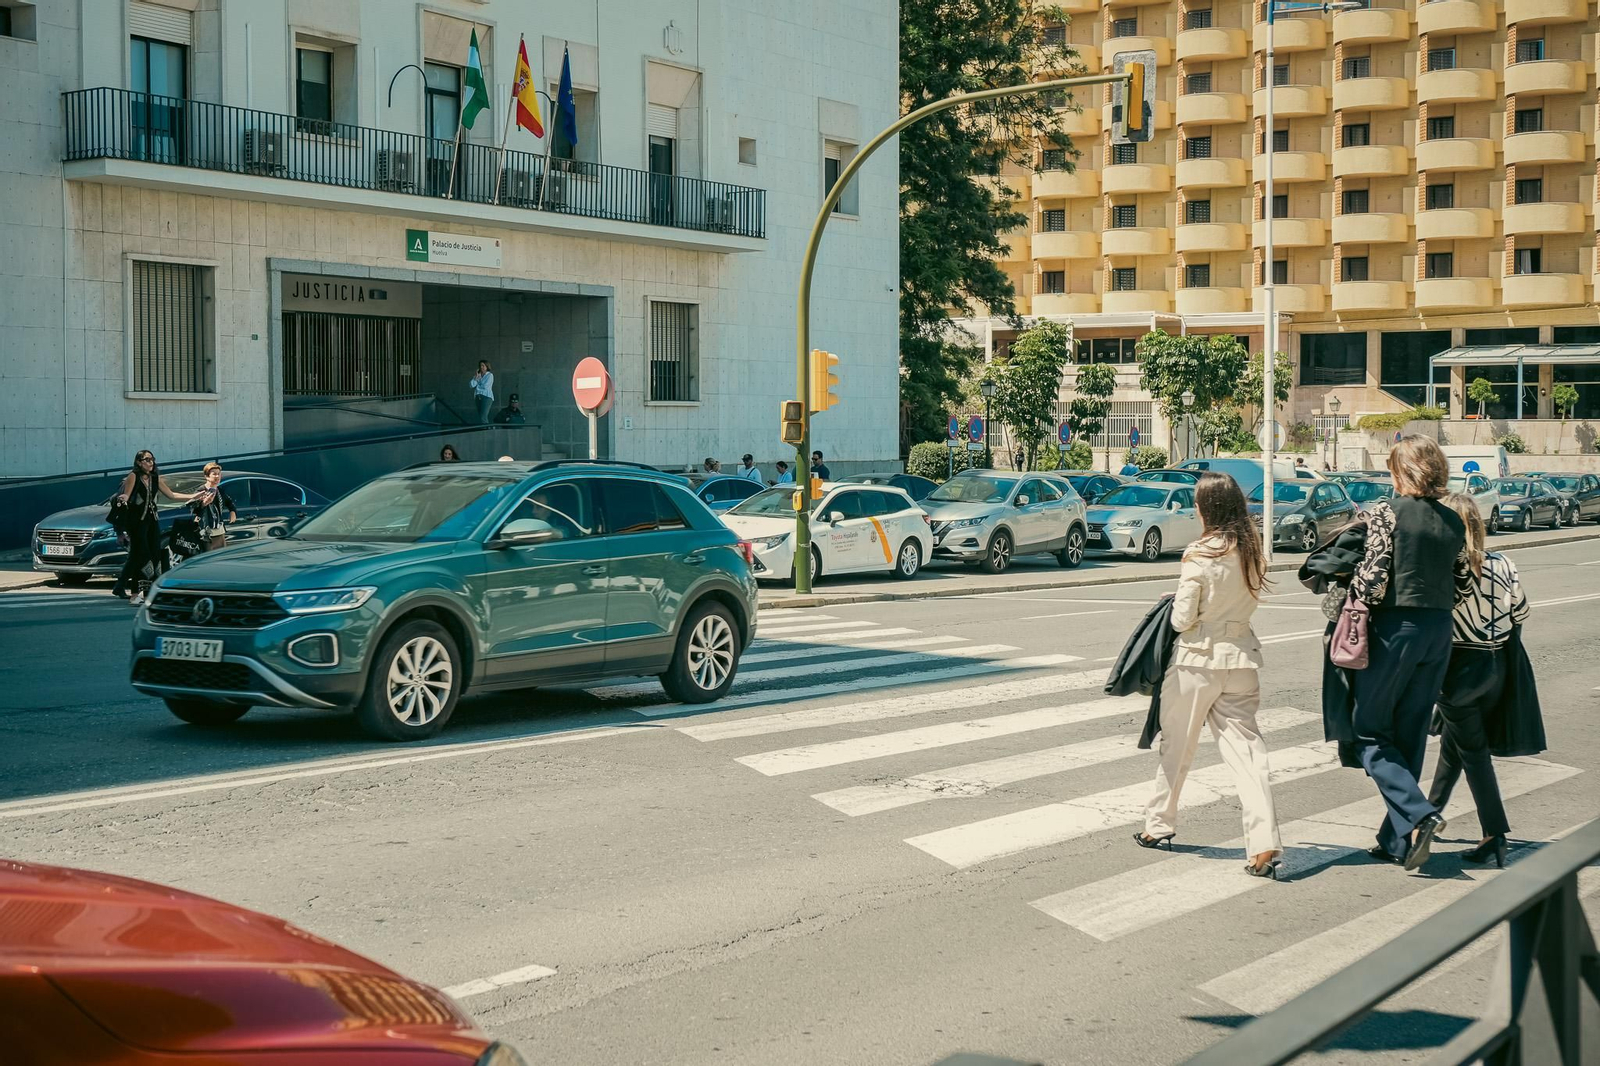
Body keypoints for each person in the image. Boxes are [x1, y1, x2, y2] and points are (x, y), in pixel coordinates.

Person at [1135, 472, 1283, 879]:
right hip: (1241, 660)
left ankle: (1158, 825)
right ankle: (1263, 841)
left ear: (1207, 509)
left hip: (1196, 661)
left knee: (1177, 748)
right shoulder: (1253, 550)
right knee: (1248, 755)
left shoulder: (1200, 553)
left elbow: (1183, 619)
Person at [1347, 436, 1467, 872]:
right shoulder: (1455, 520)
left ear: (1402, 472)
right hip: (1439, 630)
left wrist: (1350, 591)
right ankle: (1396, 839)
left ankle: (1419, 814)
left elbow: (1373, 580)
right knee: (1412, 731)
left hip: (1394, 628)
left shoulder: (1385, 513)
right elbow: (1463, 583)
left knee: (1369, 732)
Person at [1426, 493, 1530, 869]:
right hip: (1497, 665)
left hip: (1459, 668)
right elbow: (1521, 611)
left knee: (1474, 754)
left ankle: (1494, 834)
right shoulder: (1504, 563)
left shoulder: (1449, 569)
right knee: (1456, 745)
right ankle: (1428, 814)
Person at [111, 450, 195, 604]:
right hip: (136, 522)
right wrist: (122, 498)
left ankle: (137, 590)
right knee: (141, 556)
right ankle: (135, 595)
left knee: (152, 555)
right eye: (147, 460)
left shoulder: (155, 477)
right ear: (138, 462)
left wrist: (194, 496)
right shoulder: (133, 476)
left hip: (152, 521)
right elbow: (127, 496)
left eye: (152, 460)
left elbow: (172, 495)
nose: (151, 463)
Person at [188, 462, 238, 552]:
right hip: (206, 531)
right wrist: (204, 503)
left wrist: (232, 511)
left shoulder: (219, 490)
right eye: (214, 474)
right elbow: (193, 509)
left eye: (219, 474)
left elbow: (229, 502)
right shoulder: (200, 491)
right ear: (207, 476)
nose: (217, 476)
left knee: (220, 557)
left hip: (219, 530)